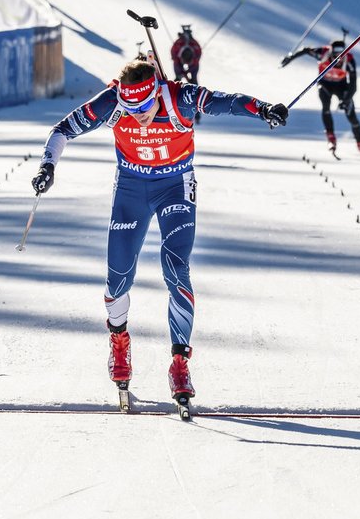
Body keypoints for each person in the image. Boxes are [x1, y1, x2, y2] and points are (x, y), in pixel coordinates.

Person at [30, 57, 288, 405]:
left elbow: (226, 101)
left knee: (176, 267)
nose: (138, 114)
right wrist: (49, 167)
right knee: (117, 276)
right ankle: (119, 340)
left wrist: (264, 109)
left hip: (175, 187)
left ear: (156, 92)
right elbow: (62, 129)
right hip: (132, 190)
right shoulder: (112, 102)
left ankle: (180, 363)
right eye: (130, 107)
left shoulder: (179, 97)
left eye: (145, 106)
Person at [281, 39, 360, 157]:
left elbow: (353, 85)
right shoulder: (322, 53)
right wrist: (290, 58)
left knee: (351, 114)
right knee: (326, 108)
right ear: (331, 51)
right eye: (336, 52)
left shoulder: (349, 61)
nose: (339, 55)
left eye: (342, 52)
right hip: (325, 85)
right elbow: (306, 50)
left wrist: (345, 100)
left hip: (341, 86)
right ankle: (331, 139)